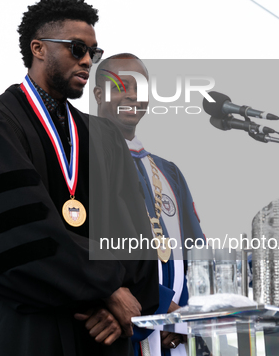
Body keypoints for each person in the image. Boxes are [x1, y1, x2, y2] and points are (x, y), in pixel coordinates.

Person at [0, 0, 158, 356]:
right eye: (77, 48)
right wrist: (109, 290)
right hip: (31, 333)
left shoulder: (105, 137)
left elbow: (135, 239)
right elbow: (19, 238)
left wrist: (120, 306)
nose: (87, 61)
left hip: (104, 338)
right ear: (38, 48)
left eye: (93, 53)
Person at [94, 54, 206, 356]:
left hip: (178, 336)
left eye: (141, 88)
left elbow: (198, 253)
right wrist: (157, 305)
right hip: (120, 332)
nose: (133, 95)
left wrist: (184, 316)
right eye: (122, 86)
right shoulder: (84, 160)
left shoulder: (168, 172)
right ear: (98, 94)